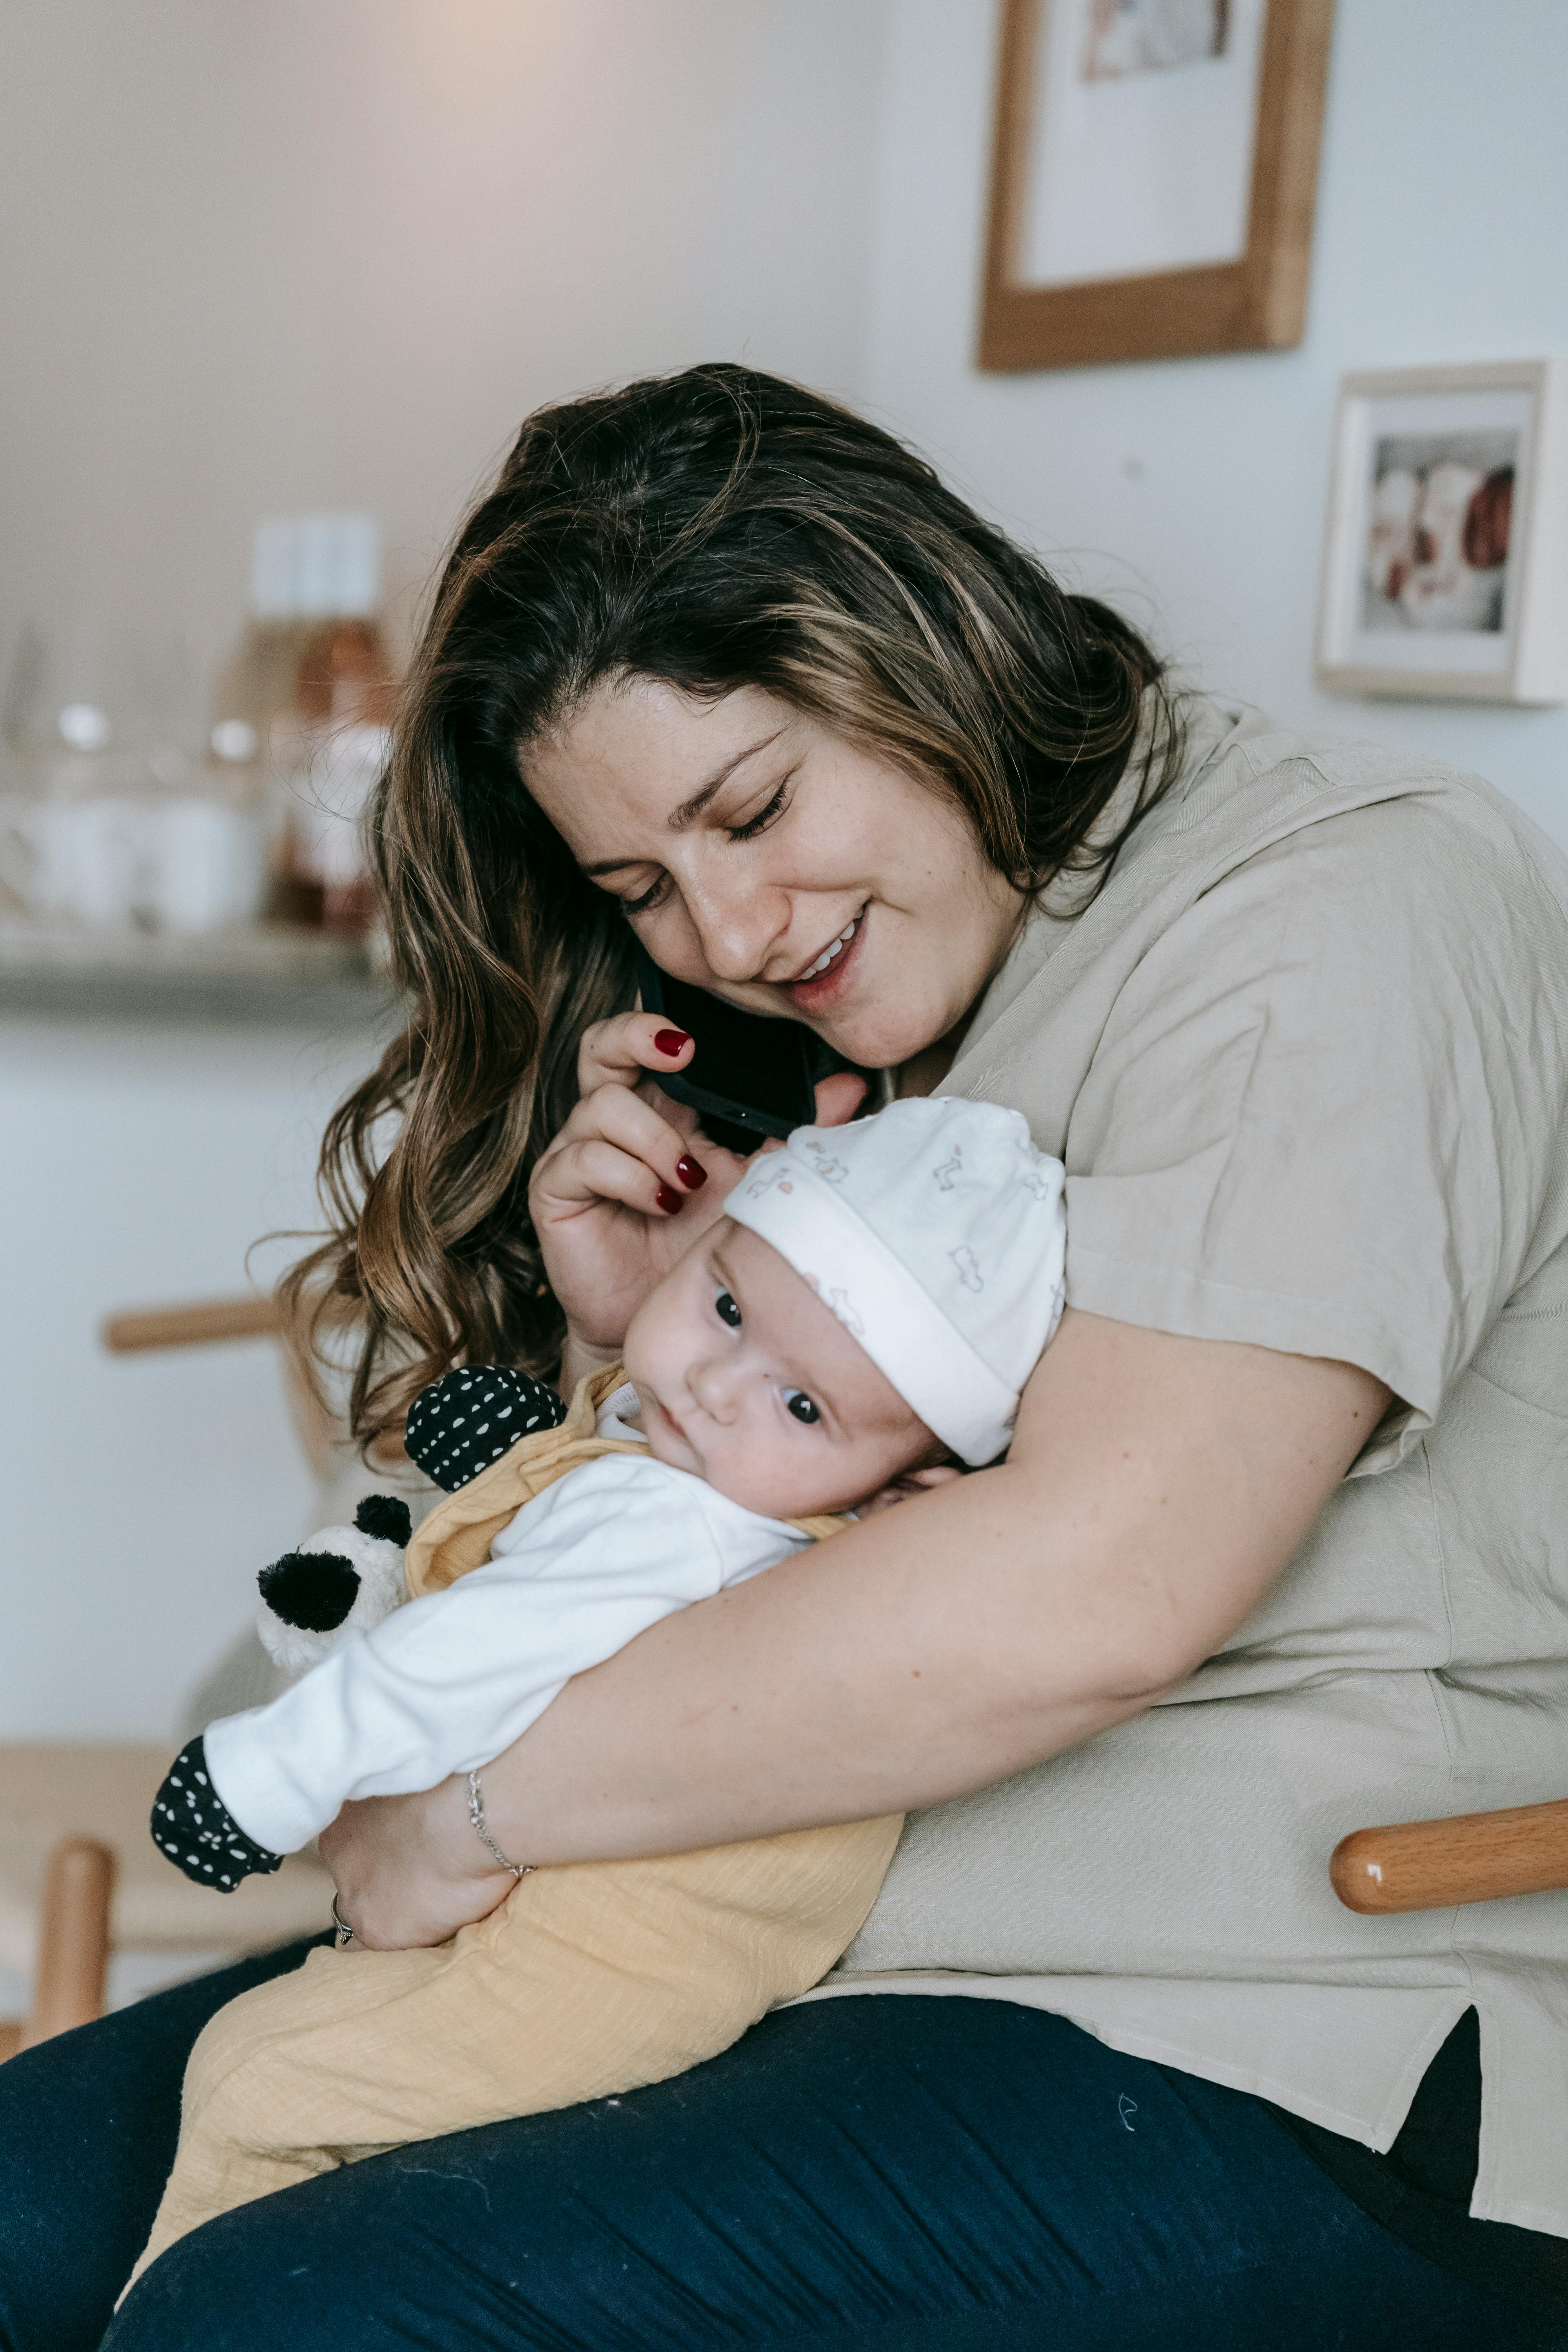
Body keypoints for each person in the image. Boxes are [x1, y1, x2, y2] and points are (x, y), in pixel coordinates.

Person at [3, 365, 1564, 2351]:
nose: (726, 931)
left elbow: (1092, 1596)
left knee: (285, 2317)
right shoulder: (879, 1022)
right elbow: (619, 1575)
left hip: (1265, 2029)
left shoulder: (1336, 912)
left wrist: (467, 1814)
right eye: (638, 888)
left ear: (920, 647)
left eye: (750, 810)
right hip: (759, 1949)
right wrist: (639, 1350)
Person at [129, 1098, 1063, 2280]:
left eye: (804, 1405)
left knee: (263, 2080)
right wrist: (537, 1445)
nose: (720, 1384)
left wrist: (259, 1778)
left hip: (593, 1962)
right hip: (603, 1935)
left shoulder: (682, 1521)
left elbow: (463, 1660)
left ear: (903, 1490)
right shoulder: (712, 1467)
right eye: (727, 1307)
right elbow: (593, 1502)